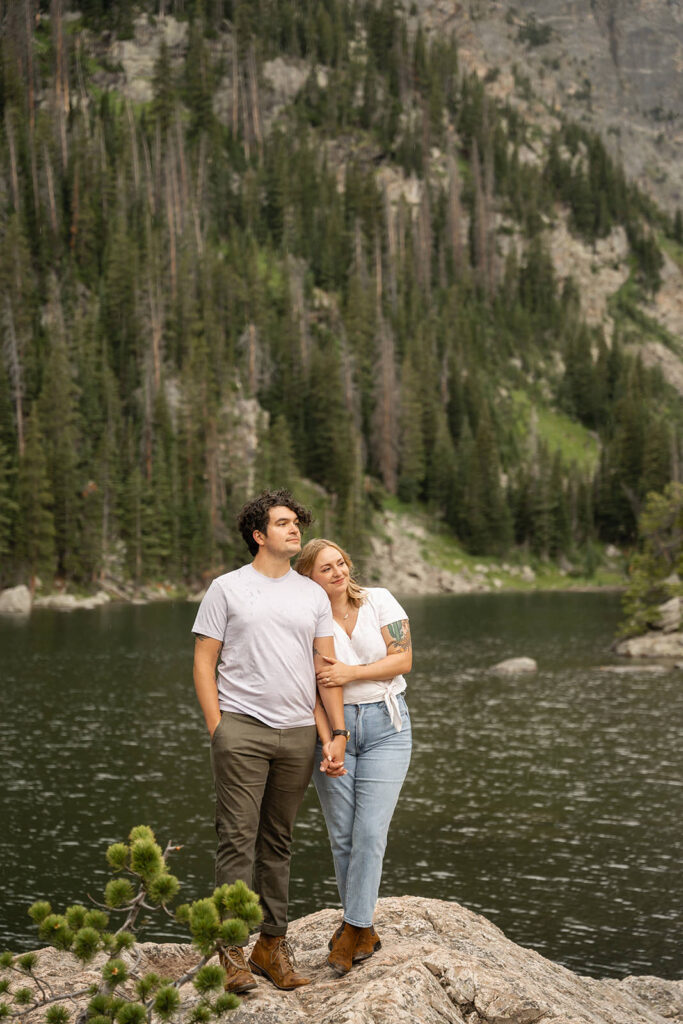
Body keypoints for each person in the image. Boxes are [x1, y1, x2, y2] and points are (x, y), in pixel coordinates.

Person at [191, 491, 348, 994]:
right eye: (282, 523)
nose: (294, 529)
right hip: (242, 729)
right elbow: (202, 662)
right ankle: (231, 951)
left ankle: (270, 946)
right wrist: (220, 727)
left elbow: (325, 671)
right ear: (259, 536)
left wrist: (333, 734)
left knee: (277, 842)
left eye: (295, 522)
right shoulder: (227, 589)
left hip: (299, 735)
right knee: (236, 839)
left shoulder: (311, 595)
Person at [295, 538, 413, 976]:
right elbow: (308, 688)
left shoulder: (379, 601)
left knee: (369, 833)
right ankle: (363, 931)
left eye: (341, 563)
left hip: (387, 728)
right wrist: (328, 739)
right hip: (331, 730)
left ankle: (353, 926)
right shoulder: (307, 621)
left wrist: (351, 673)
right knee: (342, 836)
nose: (338, 572)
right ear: (308, 576)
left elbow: (403, 660)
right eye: (326, 568)